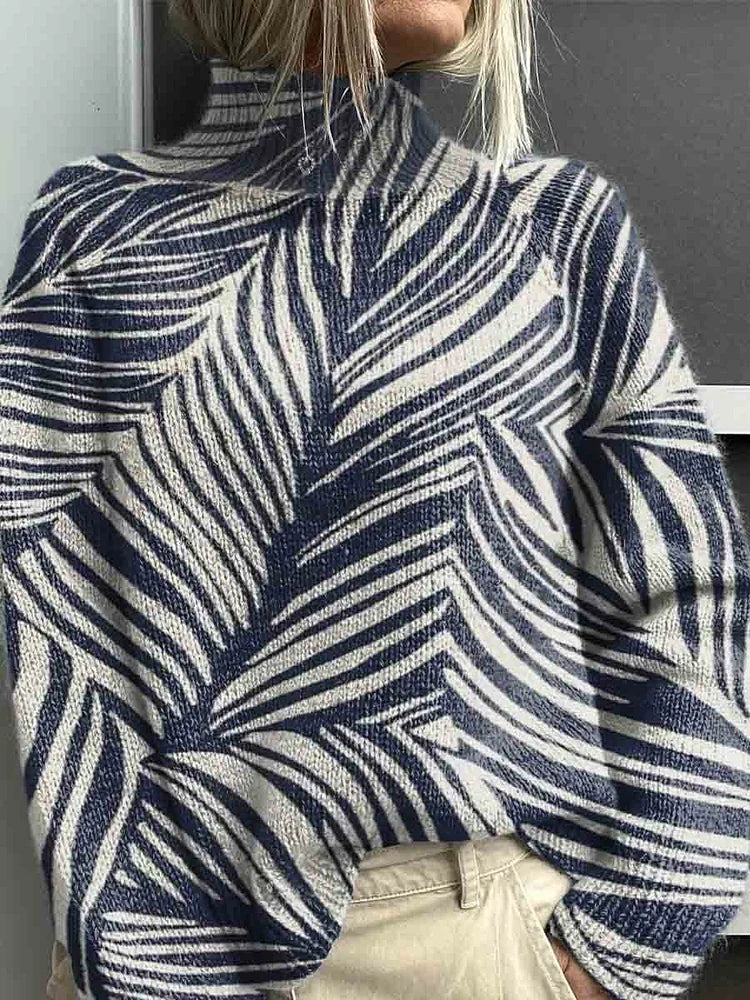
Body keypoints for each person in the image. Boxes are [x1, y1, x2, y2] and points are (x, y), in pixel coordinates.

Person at [1, 2, 748, 999]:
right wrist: (118, 929)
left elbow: (690, 600)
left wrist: (622, 945)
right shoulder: (92, 232)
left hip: (461, 939)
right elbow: (50, 611)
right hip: (151, 950)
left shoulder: (554, 229)